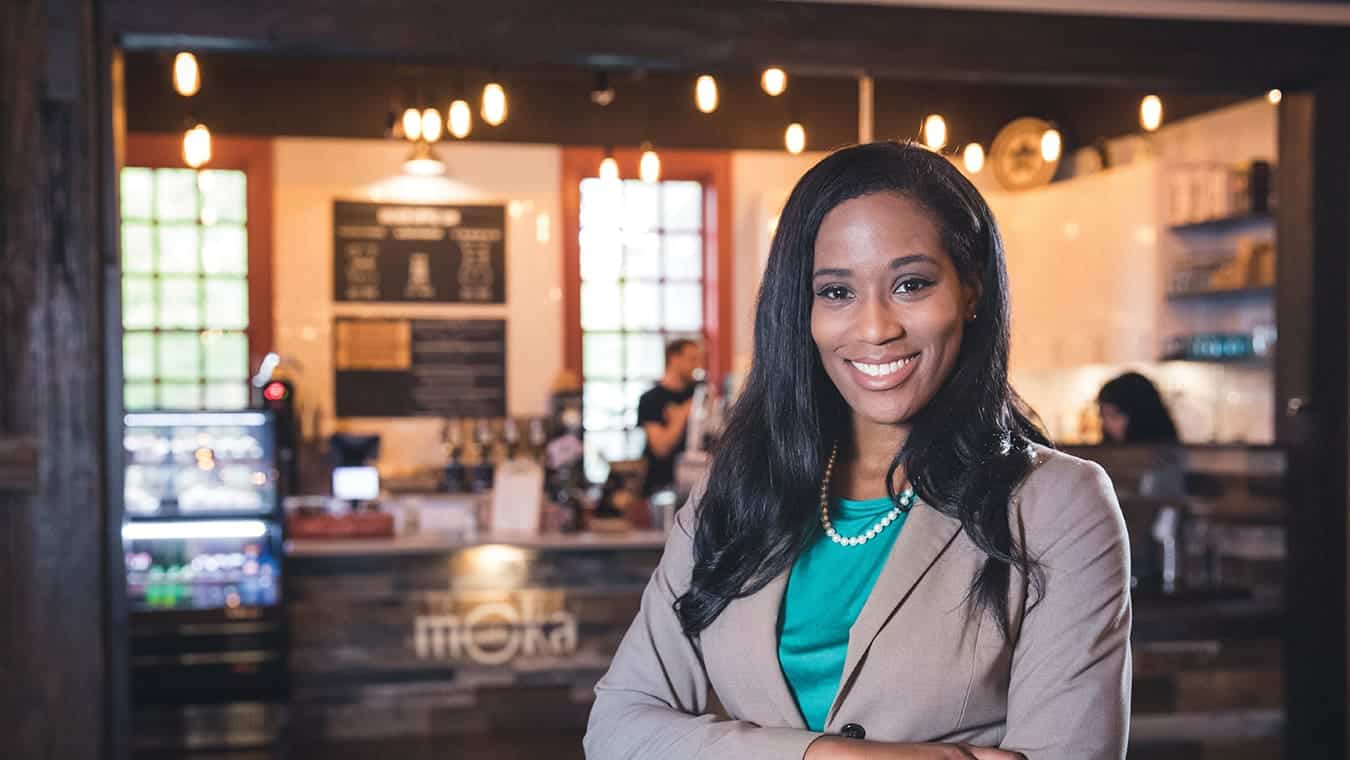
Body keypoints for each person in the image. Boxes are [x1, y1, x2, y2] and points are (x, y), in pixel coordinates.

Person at [585, 142, 1131, 759]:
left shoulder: (1058, 503)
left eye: (911, 284)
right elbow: (617, 729)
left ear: (971, 289)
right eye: (837, 292)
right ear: (802, 309)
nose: (875, 329)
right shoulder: (737, 489)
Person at [636, 339, 703, 496]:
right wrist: (682, 415)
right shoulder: (650, 399)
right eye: (692, 359)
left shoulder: (700, 394)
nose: (697, 365)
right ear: (674, 359)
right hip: (661, 485)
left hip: (696, 485)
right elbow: (660, 448)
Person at [1097, 372, 1180, 444]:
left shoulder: (1170, 455)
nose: (1106, 424)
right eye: (1102, 416)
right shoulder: (1103, 455)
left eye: (1114, 416)